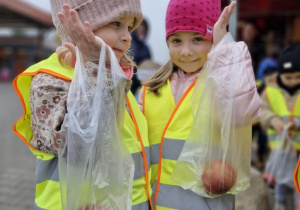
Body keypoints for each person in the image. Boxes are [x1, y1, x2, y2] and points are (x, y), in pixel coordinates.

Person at [12, 0, 153, 209]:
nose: (127, 36)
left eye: (130, 27)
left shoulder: (116, 78)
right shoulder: (50, 81)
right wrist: (96, 68)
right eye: (116, 23)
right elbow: (74, 144)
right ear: (76, 25)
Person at [138, 0, 261, 209]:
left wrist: (224, 51)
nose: (186, 51)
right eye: (176, 41)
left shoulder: (222, 84)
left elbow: (241, 112)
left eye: (197, 39)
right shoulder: (149, 91)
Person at [260, 46, 300, 210]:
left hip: (298, 147)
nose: (293, 81)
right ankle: (280, 201)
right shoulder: (270, 91)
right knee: (280, 175)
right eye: (288, 77)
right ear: (279, 75)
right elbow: (262, 110)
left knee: (297, 178)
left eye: (298, 77)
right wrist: (272, 120)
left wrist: (296, 123)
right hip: (279, 146)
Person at [130, 19, 152, 95]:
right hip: (130, 82)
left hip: (142, 84)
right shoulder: (129, 45)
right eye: (139, 26)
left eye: (143, 27)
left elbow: (149, 65)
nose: (141, 28)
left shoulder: (146, 48)